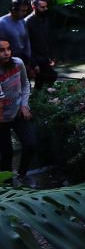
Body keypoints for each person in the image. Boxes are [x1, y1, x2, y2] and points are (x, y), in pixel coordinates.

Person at [0, 37, 36, 181]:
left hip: (18, 111)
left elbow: (25, 84)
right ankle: (7, 188)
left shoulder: (18, 63)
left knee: (31, 145)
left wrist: (24, 105)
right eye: (1, 50)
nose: (6, 53)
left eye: (8, 49)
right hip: (1, 117)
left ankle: (22, 175)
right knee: (6, 154)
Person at [25, 0, 58, 87]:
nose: (46, 9)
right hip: (35, 58)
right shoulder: (27, 22)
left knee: (50, 77)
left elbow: (48, 38)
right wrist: (33, 64)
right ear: (34, 7)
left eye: (46, 6)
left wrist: (52, 55)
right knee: (43, 80)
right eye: (42, 7)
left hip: (45, 57)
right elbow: (27, 45)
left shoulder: (45, 19)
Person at [0, 0, 32, 80]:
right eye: (23, 10)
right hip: (7, 60)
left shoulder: (22, 21)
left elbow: (26, 39)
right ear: (13, 10)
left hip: (22, 58)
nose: (25, 13)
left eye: (26, 10)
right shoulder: (2, 23)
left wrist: (28, 56)